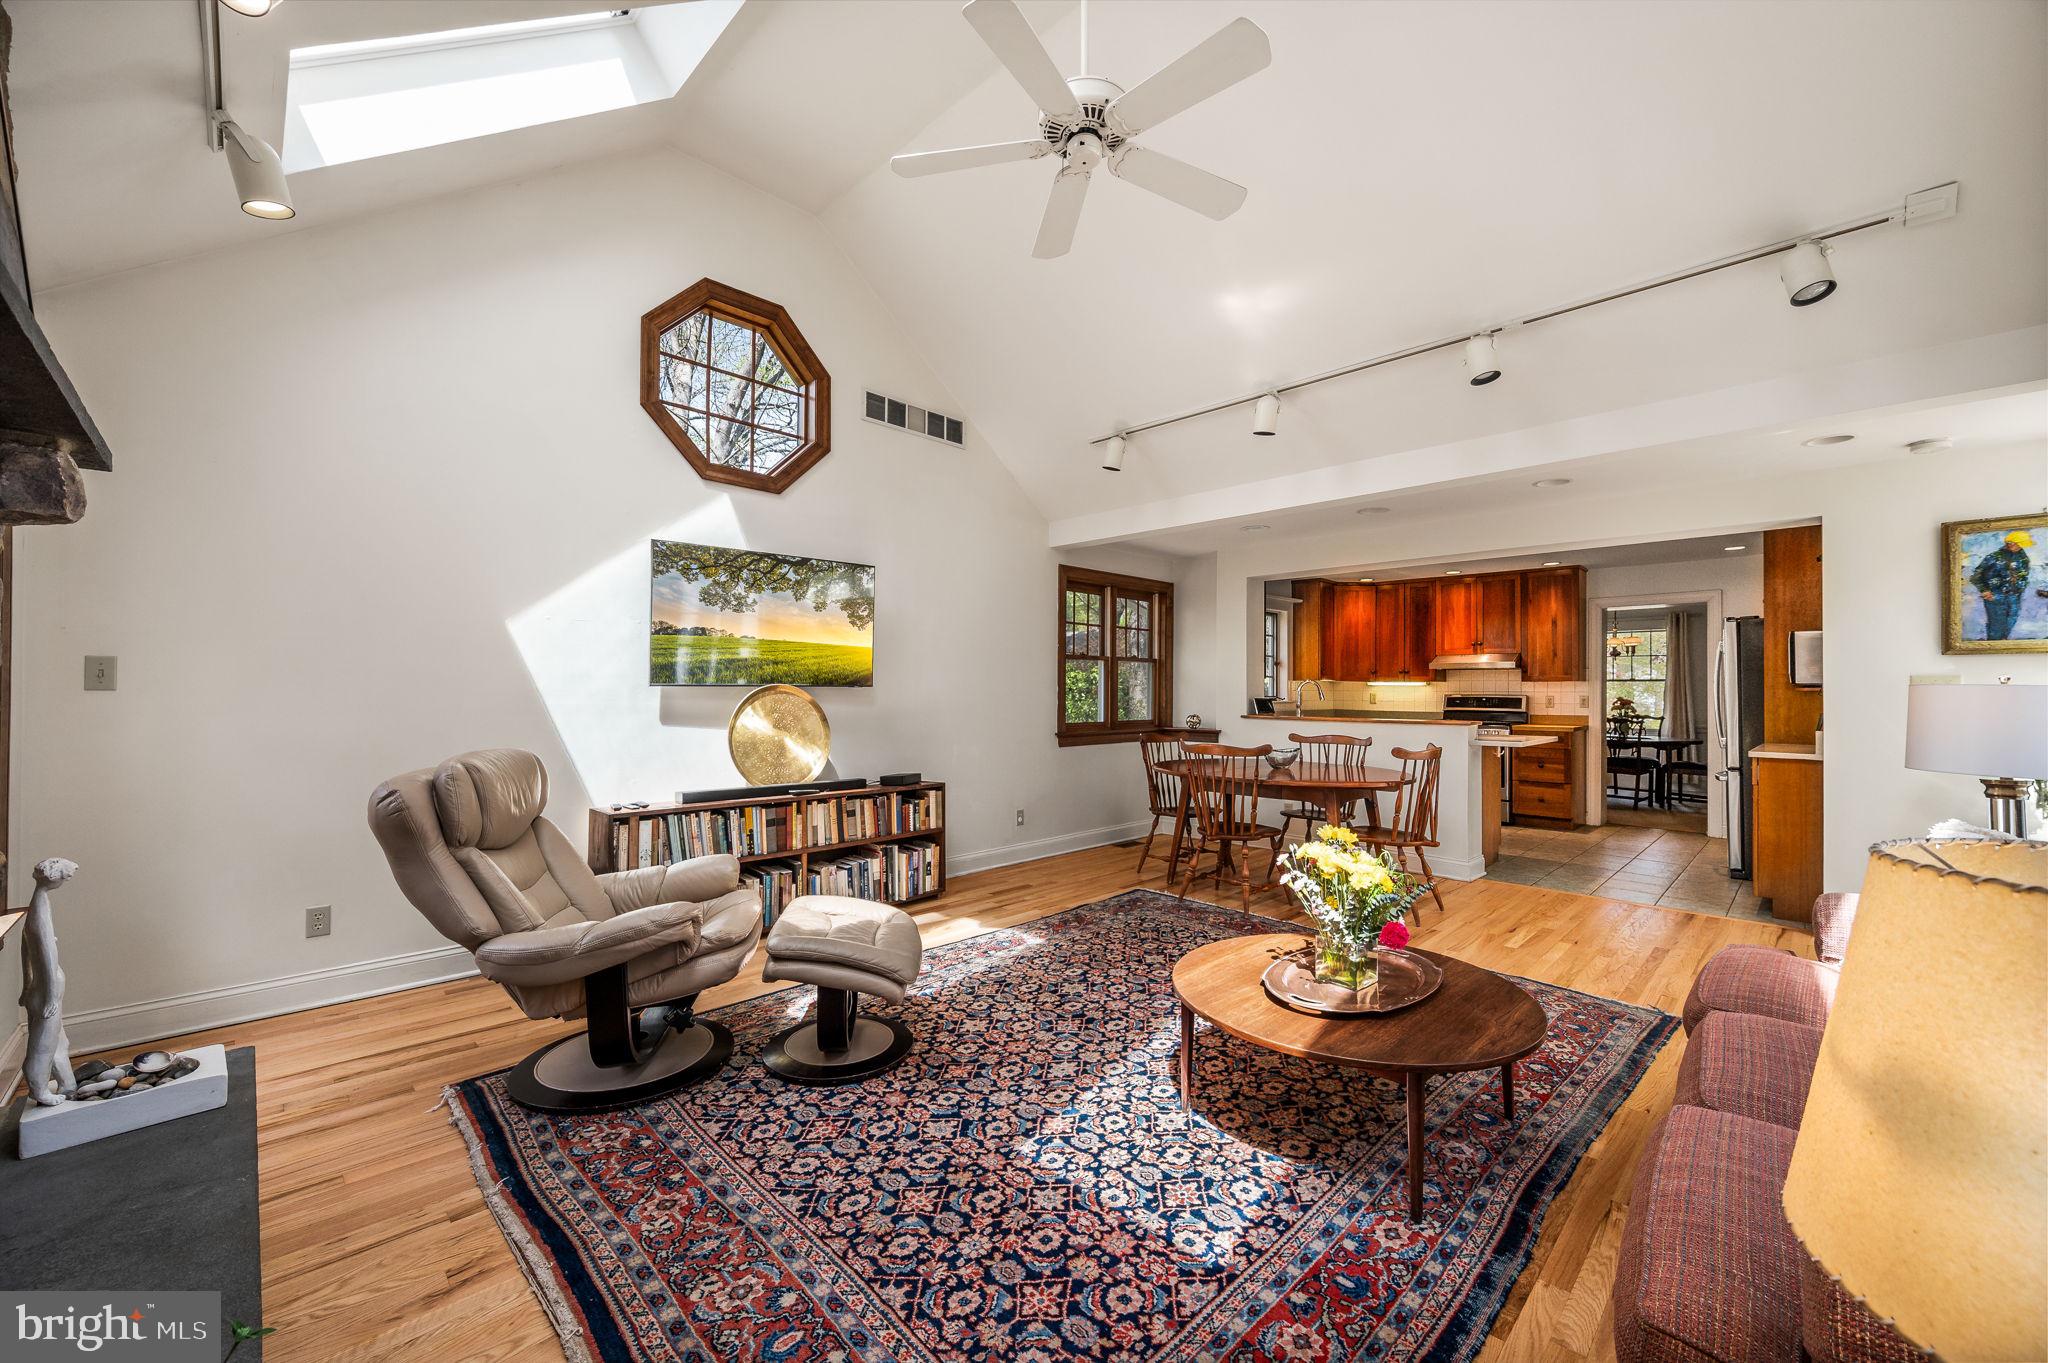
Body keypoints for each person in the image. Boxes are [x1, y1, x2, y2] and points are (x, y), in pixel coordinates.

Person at [1970, 529, 2038, 641]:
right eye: (2019, 544)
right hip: (1995, 596)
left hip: (2015, 597)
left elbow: (2024, 575)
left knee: (2010, 624)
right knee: (1996, 628)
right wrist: (1984, 591)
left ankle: (2003, 645)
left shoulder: (2023, 556)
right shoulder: (1994, 557)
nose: (2021, 547)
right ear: (2010, 544)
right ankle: (1992, 649)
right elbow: (1976, 576)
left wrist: (2021, 586)